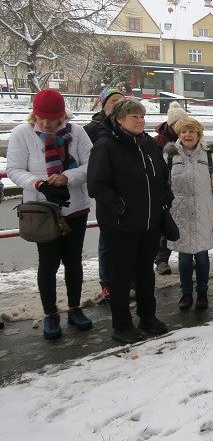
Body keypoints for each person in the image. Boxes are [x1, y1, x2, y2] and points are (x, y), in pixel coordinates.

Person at [7, 89, 94, 340]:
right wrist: (40, 184)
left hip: (74, 206)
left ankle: (74, 308)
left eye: (52, 119)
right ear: (34, 114)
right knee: (48, 263)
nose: (46, 123)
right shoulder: (22, 134)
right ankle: (50, 314)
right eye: (41, 118)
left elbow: (91, 164)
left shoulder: (76, 133)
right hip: (42, 210)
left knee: (73, 261)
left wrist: (68, 176)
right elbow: (14, 169)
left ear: (62, 116)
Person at [87, 97, 173, 344]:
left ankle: (148, 317)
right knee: (122, 274)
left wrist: (164, 199)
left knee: (146, 271)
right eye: (134, 116)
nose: (140, 120)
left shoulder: (147, 144)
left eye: (142, 116)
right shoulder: (107, 146)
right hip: (120, 224)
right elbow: (97, 185)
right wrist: (121, 209)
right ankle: (122, 325)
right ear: (120, 119)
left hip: (149, 221)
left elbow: (161, 175)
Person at [163, 117, 213, 310]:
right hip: (179, 214)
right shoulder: (171, 157)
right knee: (183, 257)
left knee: (201, 256)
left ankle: (203, 292)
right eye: (183, 131)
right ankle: (186, 293)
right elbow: (163, 188)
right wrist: (165, 217)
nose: (187, 135)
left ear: (198, 134)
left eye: (191, 131)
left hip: (203, 214)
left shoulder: (209, 157)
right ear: (179, 135)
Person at [84, 86, 125, 300]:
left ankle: (128, 279)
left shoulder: (128, 125)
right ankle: (107, 282)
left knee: (129, 239)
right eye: (113, 102)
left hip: (129, 191)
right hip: (106, 191)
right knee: (107, 240)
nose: (118, 105)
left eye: (121, 100)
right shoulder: (92, 129)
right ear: (104, 106)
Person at [153, 102, 189, 275]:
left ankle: (187, 257)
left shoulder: (187, 138)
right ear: (171, 124)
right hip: (165, 189)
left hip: (184, 188)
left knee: (185, 224)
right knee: (165, 225)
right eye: (178, 123)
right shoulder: (158, 142)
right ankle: (161, 260)